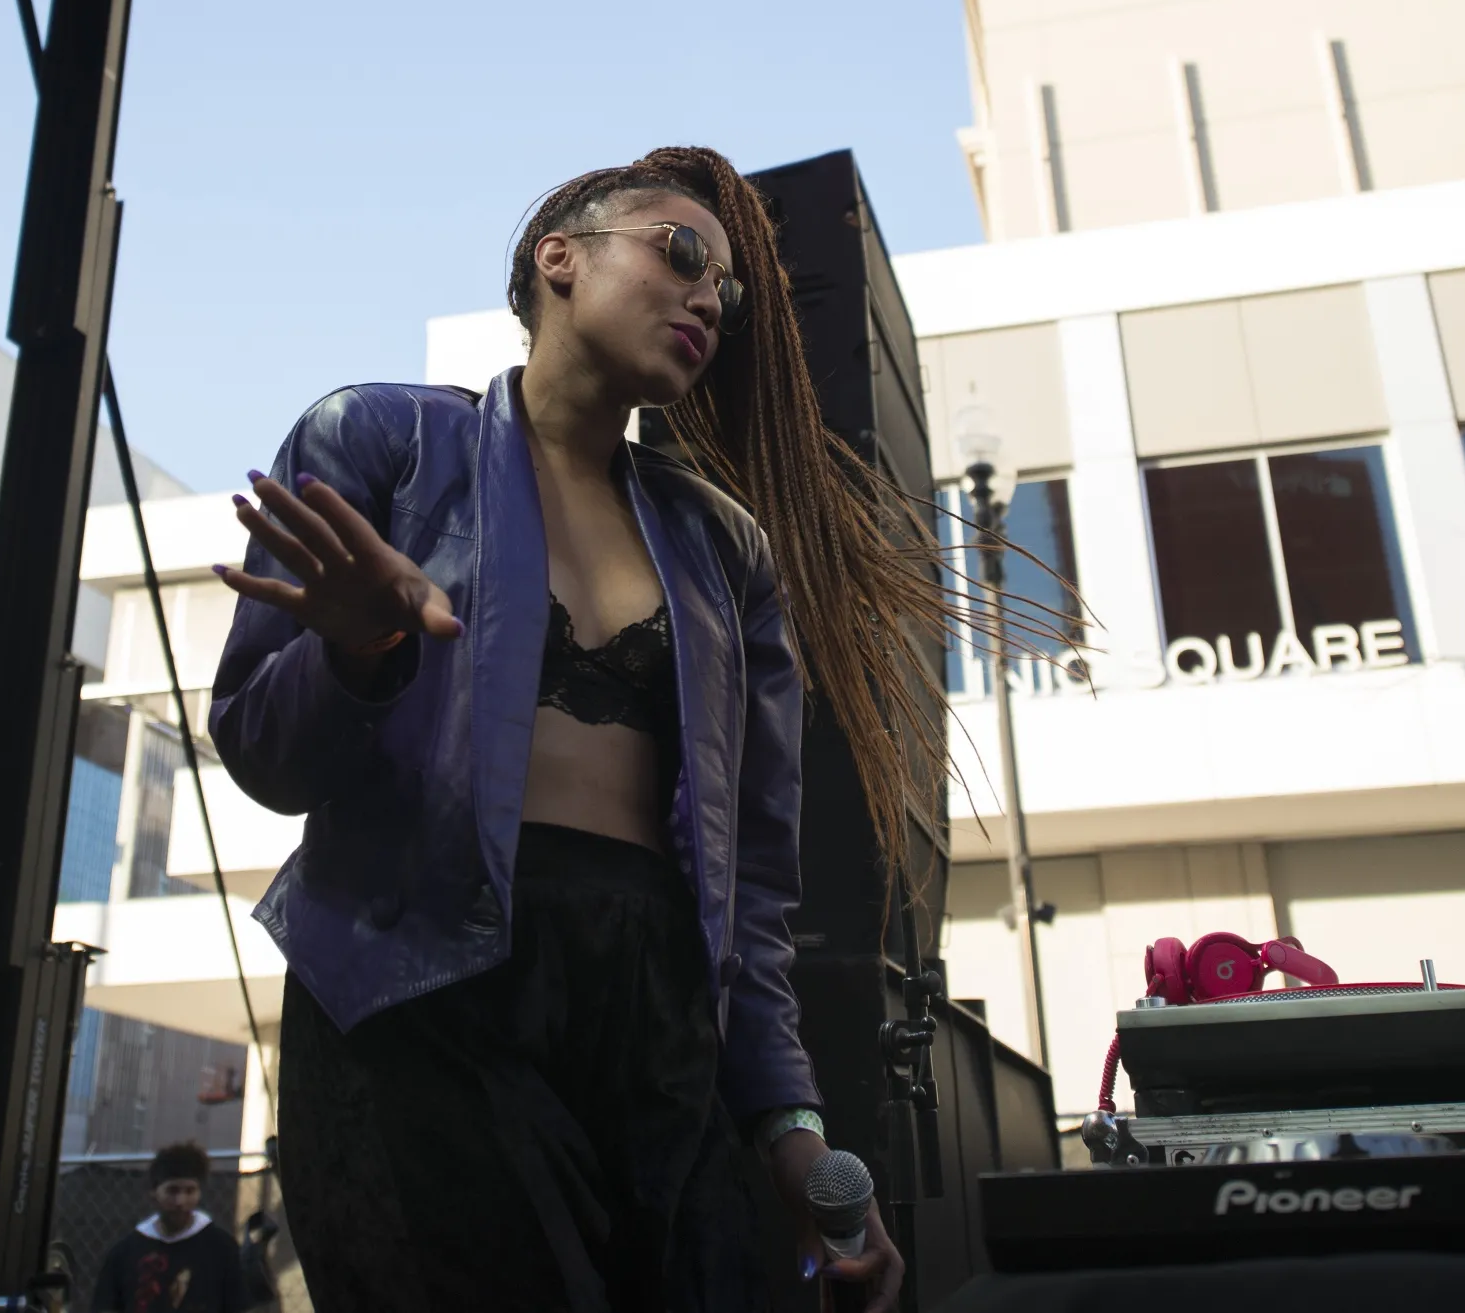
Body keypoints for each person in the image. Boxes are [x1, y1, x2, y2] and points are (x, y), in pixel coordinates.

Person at [211, 147, 952, 1311]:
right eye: (682, 251)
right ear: (559, 257)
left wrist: (791, 1128)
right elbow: (261, 751)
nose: (709, 298)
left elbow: (753, 888)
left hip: (654, 1011)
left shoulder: (724, 550)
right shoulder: (385, 440)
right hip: (420, 990)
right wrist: (356, 653)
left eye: (727, 291)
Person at [90, 1141, 243, 1313]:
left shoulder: (222, 1248)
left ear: (199, 1193)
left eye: (189, 1191)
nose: (180, 1201)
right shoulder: (125, 1252)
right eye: (172, 1191)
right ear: (154, 1192)